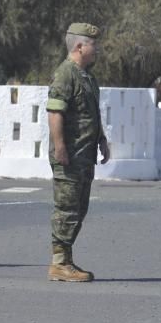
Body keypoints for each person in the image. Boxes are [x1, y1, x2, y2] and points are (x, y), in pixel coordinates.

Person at [46, 22, 110, 282]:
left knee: (78, 210)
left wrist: (102, 140)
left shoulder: (87, 77)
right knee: (66, 209)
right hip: (70, 155)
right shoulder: (66, 74)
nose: (97, 50)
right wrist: (60, 147)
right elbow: (54, 113)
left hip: (84, 155)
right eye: (93, 45)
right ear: (80, 46)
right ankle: (59, 264)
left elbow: (91, 114)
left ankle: (66, 260)